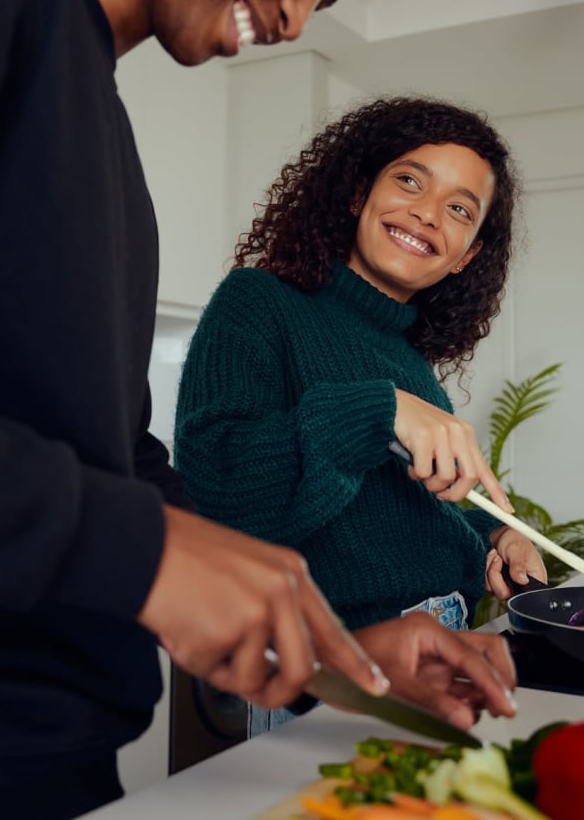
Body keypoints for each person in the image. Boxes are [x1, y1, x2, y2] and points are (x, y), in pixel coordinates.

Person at [0, 0, 517, 817]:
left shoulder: (109, 154)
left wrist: (335, 652)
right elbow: (122, 520)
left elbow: (107, 467)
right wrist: (142, 549)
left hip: (51, 768)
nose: (295, 19)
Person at [174, 95, 547, 734]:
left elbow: (410, 510)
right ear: (355, 194)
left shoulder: (411, 360)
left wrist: (492, 540)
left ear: (465, 255)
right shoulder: (257, 303)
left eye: (459, 209)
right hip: (335, 667)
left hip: (444, 640)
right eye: (409, 180)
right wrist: (376, 410)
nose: (428, 213)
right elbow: (216, 494)